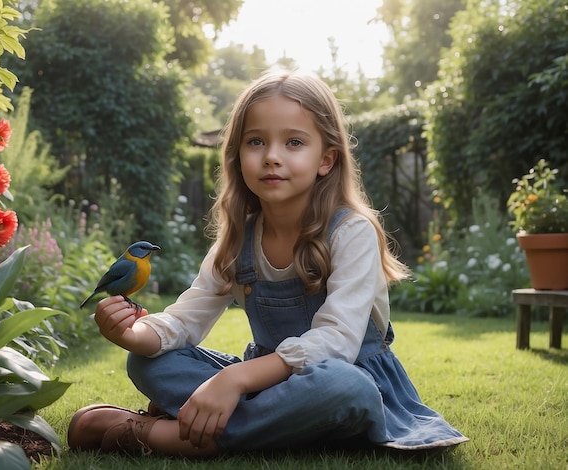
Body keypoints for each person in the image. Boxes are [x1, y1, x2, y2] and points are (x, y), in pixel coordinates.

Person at [67, 69, 468, 457]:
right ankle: (267, 426)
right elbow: (186, 319)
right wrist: (135, 334)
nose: (272, 156)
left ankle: (169, 434)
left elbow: (337, 344)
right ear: (238, 156)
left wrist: (235, 378)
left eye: (294, 142)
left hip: (340, 380)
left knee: (346, 387)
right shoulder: (239, 239)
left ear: (326, 159)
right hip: (269, 389)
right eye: (256, 142)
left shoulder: (351, 233)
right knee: (148, 362)